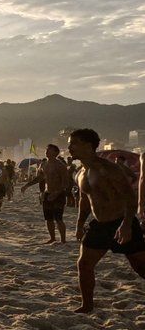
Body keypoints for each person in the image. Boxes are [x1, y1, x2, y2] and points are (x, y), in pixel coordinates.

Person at [69, 129, 145, 313]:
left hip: (120, 222)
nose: (70, 147)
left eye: (74, 143)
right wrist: (80, 224)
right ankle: (87, 306)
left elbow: (129, 198)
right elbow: (84, 200)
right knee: (84, 265)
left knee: (141, 267)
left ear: (88, 146)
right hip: (99, 225)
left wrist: (126, 225)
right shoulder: (81, 173)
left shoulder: (108, 169)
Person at [21, 144, 70, 244]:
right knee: (48, 218)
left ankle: (63, 240)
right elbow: (39, 178)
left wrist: (56, 193)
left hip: (59, 194)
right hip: (48, 193)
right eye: (46, 149)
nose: (46, 151)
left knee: (58, 218)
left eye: (49, 150)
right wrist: (27, 185)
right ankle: (52, 238)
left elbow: (65, 183)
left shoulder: (60, 166)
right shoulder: (43, 165)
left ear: (56, 153)